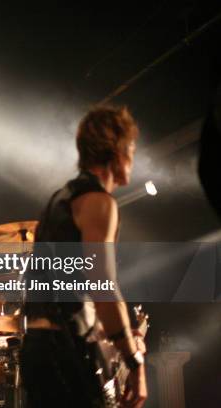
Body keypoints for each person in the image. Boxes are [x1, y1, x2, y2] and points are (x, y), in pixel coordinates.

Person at [22, 106, 147, 408]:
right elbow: (102, 284)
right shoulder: (98, 203)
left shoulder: (60, 198)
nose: (133, 157)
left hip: (38, 348)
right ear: (116, 150)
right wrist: (135, 362)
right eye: (131, 148)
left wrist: (111, 332)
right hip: (63, 352)